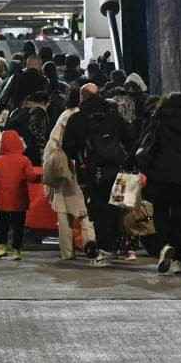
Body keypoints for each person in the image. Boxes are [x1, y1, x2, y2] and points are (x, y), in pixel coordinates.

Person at [136, 91, 181, 274]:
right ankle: (179, 260)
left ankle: (165, 246)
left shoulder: (158, 123)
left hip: (160, 178)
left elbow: (148, 149)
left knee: (160, 214)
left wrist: (142, 170)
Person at [68, 86, 134, 264]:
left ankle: (105, 248)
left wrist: (80, 161)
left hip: (94, 170)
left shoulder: (78, 118)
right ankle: (122, 246)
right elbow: (130, 137)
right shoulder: (113, 116)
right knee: (119, 207)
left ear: (82, 98)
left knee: (98, 208)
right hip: (118, 169)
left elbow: (68, 146)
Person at [41, 110, 93, 261]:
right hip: (82, 172)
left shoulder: (62, 120)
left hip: (62, 172)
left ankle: (67, 252)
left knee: (63, 214)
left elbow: (49, 151)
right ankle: (90, 245)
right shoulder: (88, 118)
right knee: (85, 213)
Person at [0, 124, 41, 261]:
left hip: (2, 200)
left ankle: (1, 247)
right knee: (18, 225)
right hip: (20, 199)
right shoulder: (24, 160)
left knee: (2, 224)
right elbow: (31, 177)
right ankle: (16, 250)